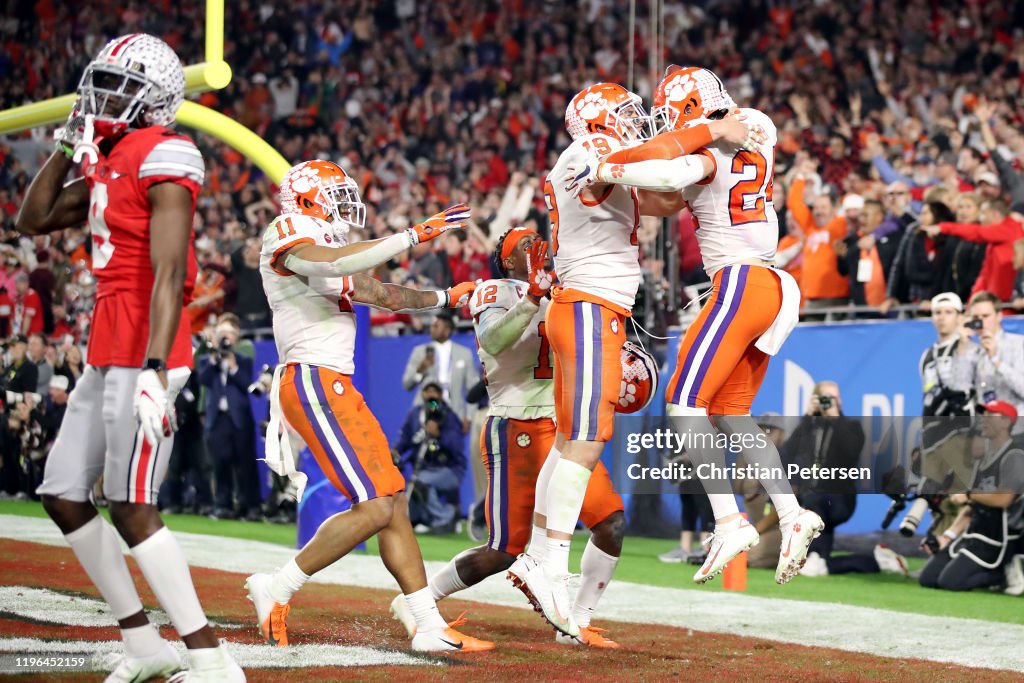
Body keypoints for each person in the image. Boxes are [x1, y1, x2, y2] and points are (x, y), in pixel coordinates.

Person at [15, 34, 243, 681]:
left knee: (131, 503)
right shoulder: (108, 158)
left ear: (157, 99)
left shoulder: (166, 152)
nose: (102, 96)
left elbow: (170, 272)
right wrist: (66, 147)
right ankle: (143, 641)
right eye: (103, 81)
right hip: (105, 350)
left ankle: (209, 656)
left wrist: (152, 369)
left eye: (119, 85)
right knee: (61, 492)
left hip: (148, 352)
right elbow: (33, 218)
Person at [564, 67, 822, 587]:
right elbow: (672, 193)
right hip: (773, 283)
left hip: (739, 284)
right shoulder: (759, 127)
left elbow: (666, 176)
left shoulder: (713, 148)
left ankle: (729, 522)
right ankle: (794, 515)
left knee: (684, 405)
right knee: (730, 413)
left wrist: (607, 168)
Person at [244, 159, 491, 652]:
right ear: (309, 198)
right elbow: (332, 264)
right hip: (313, 379)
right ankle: (277, 587)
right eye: (334, 194)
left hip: (334, 383)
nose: (343, 203)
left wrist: (446, 296)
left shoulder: (330, 246)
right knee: (376, 503)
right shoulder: (289, 231)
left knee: (392, 498)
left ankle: (426, 623)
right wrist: (412, 236)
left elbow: (381, 292)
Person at [396, 227, 627, 647]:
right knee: (504, 550)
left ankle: (577, 623)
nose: (535, 245)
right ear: (506, 261)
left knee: (610, 523)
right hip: (515, 428)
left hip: (564, 430)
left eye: (538, 238)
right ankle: (420, 600)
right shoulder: (493, 290)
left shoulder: (565, 289)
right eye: (524, 244)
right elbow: (493, 340)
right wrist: (532, 298)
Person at [919, 401, 1024, 592]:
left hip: (1000, 537)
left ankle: (1002, 574)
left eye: (990, 415)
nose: (983, 419)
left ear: (1006, 422)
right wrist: (948, 536)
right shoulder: (982, 460)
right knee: (928, 578)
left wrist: (968, 494)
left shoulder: (1014, 456)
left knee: (950, 582)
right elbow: (971, 507)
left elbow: (1003, 499)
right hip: (975, 533)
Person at [197, 315, 261, 521]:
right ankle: (222, 505)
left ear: (236, 338)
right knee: (220, 463)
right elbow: (203, 379)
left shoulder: (243, 360)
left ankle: (250, 506)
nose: (226, 339)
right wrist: (216, 356)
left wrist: (232, 364)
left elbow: (246, 384)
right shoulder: (208, 360)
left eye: (230, 335)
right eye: (222, 334)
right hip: (218, 419)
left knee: (245, 464)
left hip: (239, 418)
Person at [393, 381, 467, 533]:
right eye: (428, 391)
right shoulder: (415, 415)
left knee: (421, 482)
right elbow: (405, 439)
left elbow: (457, 447)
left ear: (441, 395)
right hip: (424, 468)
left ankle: (446, 517)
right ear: (422, 394)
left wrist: (439, 435)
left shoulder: (449, 417)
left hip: (450, 469)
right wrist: (395, 451)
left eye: (435, 392)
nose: (431, 396)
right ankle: (419, 519)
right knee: (411, 482)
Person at [923, 198, 1024, 302]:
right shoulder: (995, 239)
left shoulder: (1009, 229)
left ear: (995, 214)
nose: (981, 218)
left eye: (984, 213)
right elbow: (985, 274)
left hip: (1009, 301)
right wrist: (972, 301)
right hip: (996, 299)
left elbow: (977, 232)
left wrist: (944, 227)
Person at [951, 291, 1024, 420]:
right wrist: (963, 344)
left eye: (986, 316)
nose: (981, 321)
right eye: (976, 317)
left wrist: (996, 359)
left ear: (999, 316)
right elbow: (960, 388)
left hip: (1017, 426)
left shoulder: (1018, 344)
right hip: (987, 429)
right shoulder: (972, 350)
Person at [402, 313, 479, 431]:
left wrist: (469, 417)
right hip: (428, 408)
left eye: (436, 326)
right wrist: (420, 370)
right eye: (432, 325)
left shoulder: (464, 354)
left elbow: (472, 388)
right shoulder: (420, 352)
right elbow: (407, 384)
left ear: (447, 330)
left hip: (453, 411)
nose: (432, 328)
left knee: (451, 446)